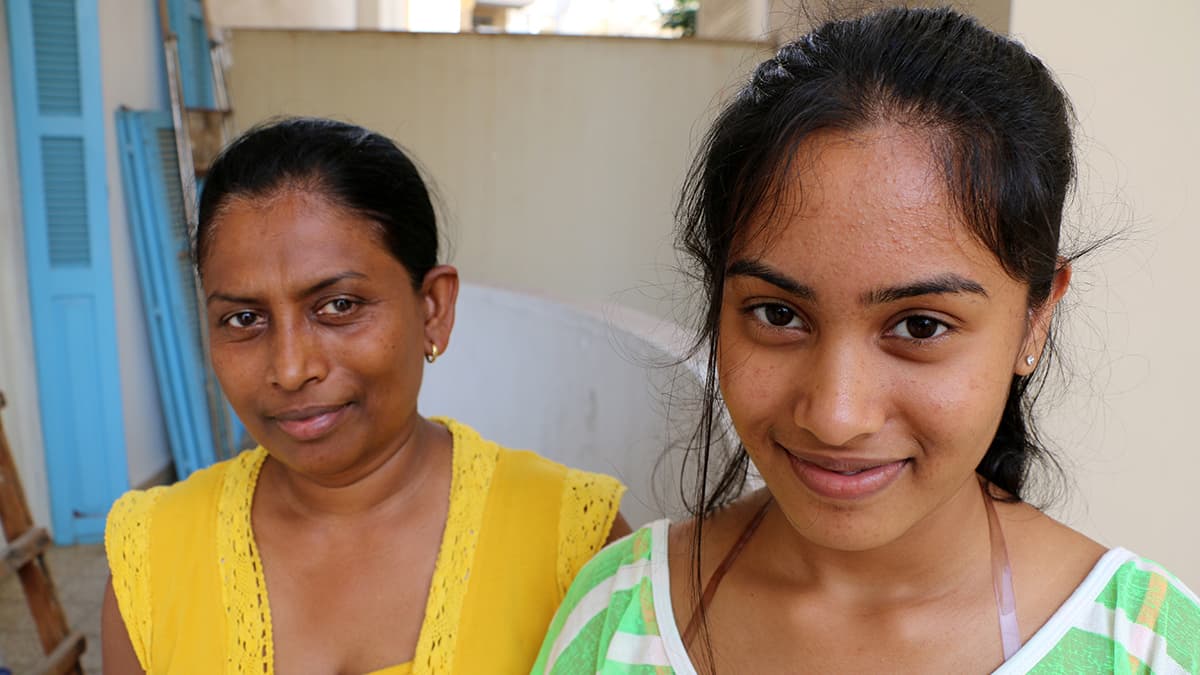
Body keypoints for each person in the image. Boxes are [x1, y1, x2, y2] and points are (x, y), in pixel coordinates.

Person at [535, 7, 1199, 673]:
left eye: (920, 326)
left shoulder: (1145, 648)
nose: (835, 416)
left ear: (1036, 318)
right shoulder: (618, 617)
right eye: (777, 314)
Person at [101, 117, 630, 674]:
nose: (290, 369)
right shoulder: (153, 557)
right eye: (244, 318)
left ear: (433, 308)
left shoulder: (573, 542)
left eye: (339, 306)